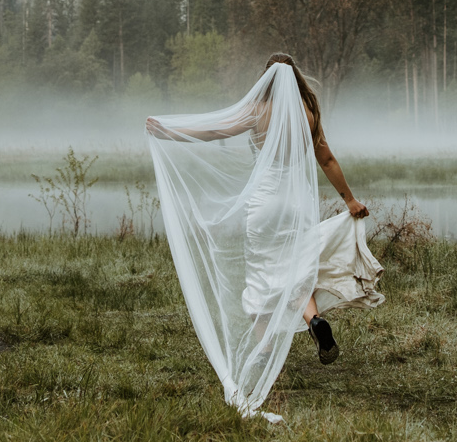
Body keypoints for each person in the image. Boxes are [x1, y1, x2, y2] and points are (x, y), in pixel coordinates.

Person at [146, 53, 383, 420]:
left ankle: (268, 354)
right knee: (297, 271)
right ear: (295, 78)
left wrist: (168, 131)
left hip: (265, 204)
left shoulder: (257, 111)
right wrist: (349, 200)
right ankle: (314, 321)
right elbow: (327, 159)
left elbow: (214, 131)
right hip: (297, 204)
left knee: (261, 275)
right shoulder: (309, 112)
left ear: (267, 80)